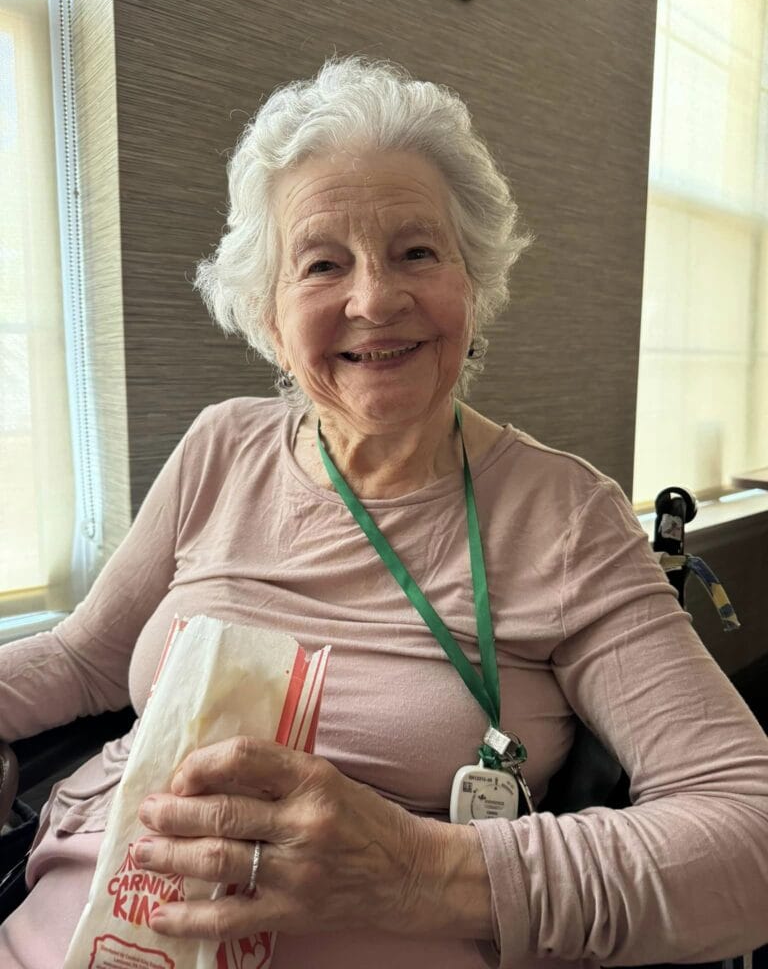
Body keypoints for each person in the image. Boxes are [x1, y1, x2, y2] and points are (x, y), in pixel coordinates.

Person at [1, 56, 767, 969]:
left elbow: (748, 832)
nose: (374, 300)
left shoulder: (564, 517)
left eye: (417, 251)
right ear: (269, 317)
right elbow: (84, 656)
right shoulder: (223, 447)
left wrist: (420, 869)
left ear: (471, 283)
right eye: (323, 264)